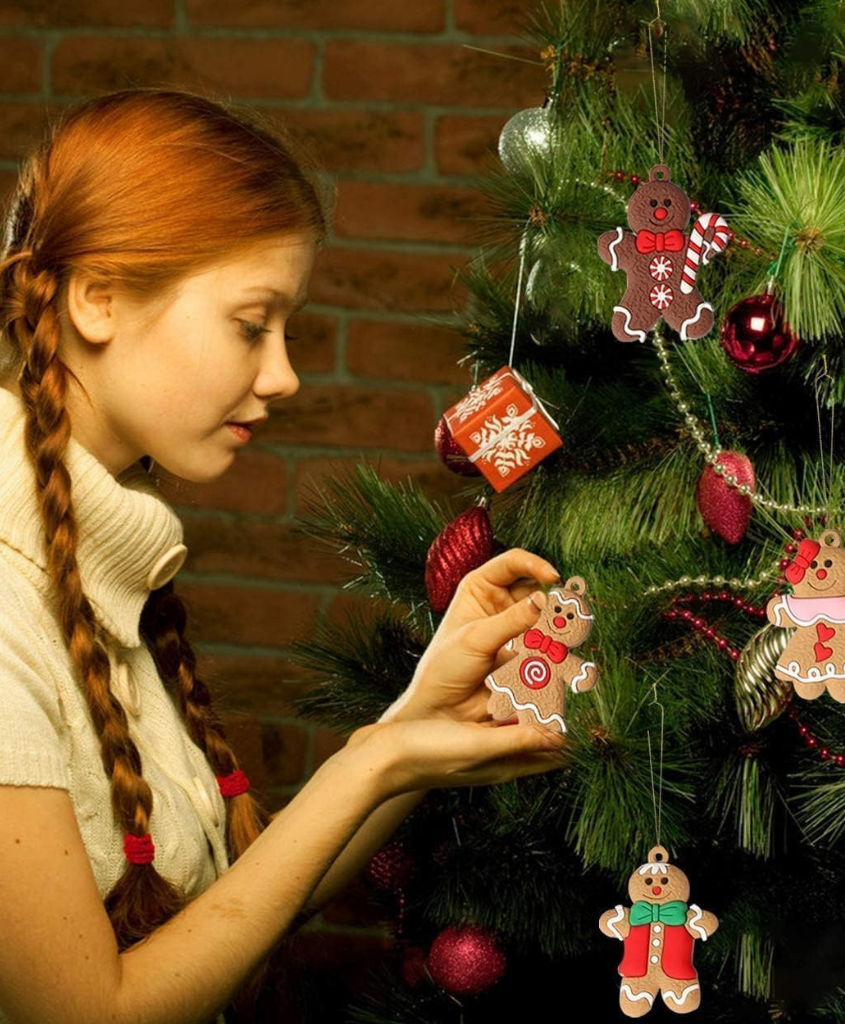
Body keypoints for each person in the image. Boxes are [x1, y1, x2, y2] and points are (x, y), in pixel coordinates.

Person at [0, 87, 567, 1024]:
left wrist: (412, 725)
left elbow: (232, 913)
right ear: (98, 298)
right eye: (250, 322)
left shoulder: (94, 568)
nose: (285, 375)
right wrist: (370, 769)